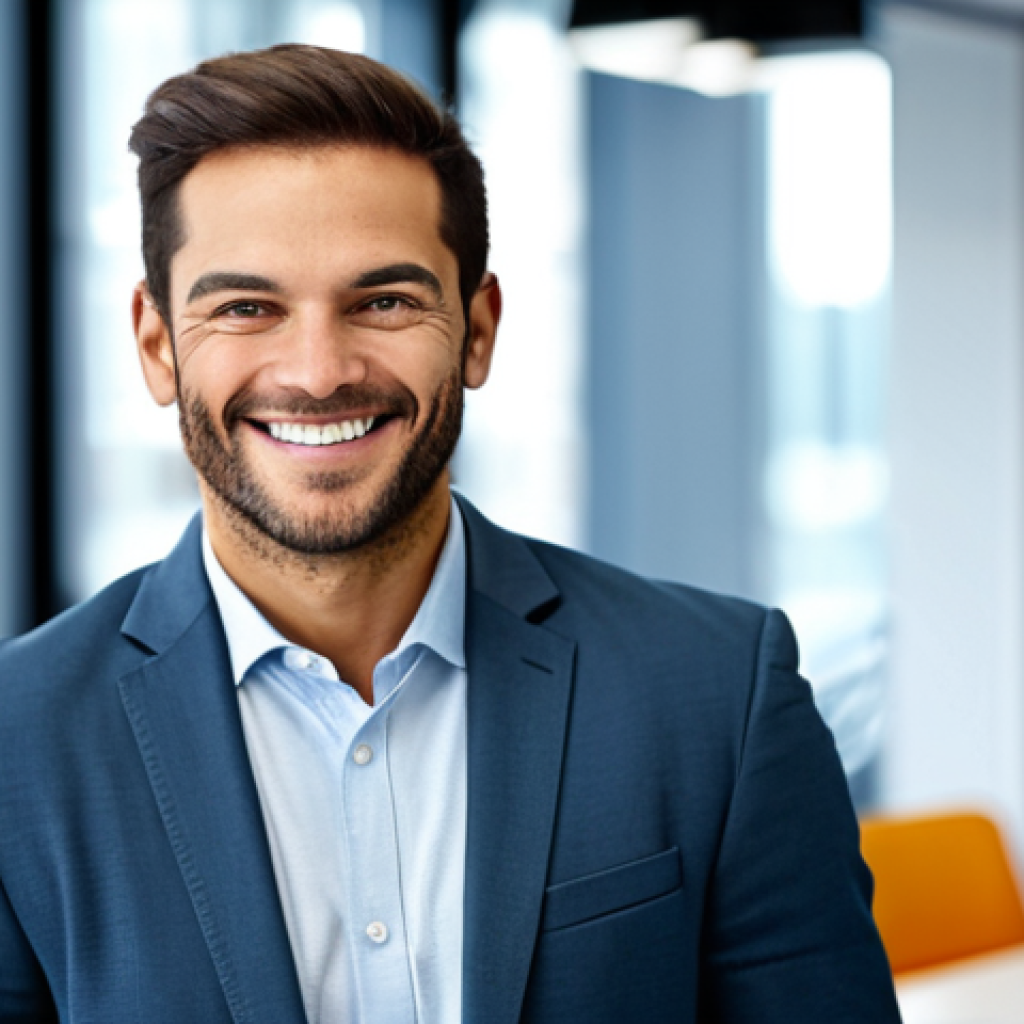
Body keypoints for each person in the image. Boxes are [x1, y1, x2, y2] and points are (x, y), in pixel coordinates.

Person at [0, 45, 901, 1024]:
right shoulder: (18, 746)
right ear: (156, 344)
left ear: (476, 329)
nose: (316, 371)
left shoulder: (719, 695)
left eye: (383, 300)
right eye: (245, 307)